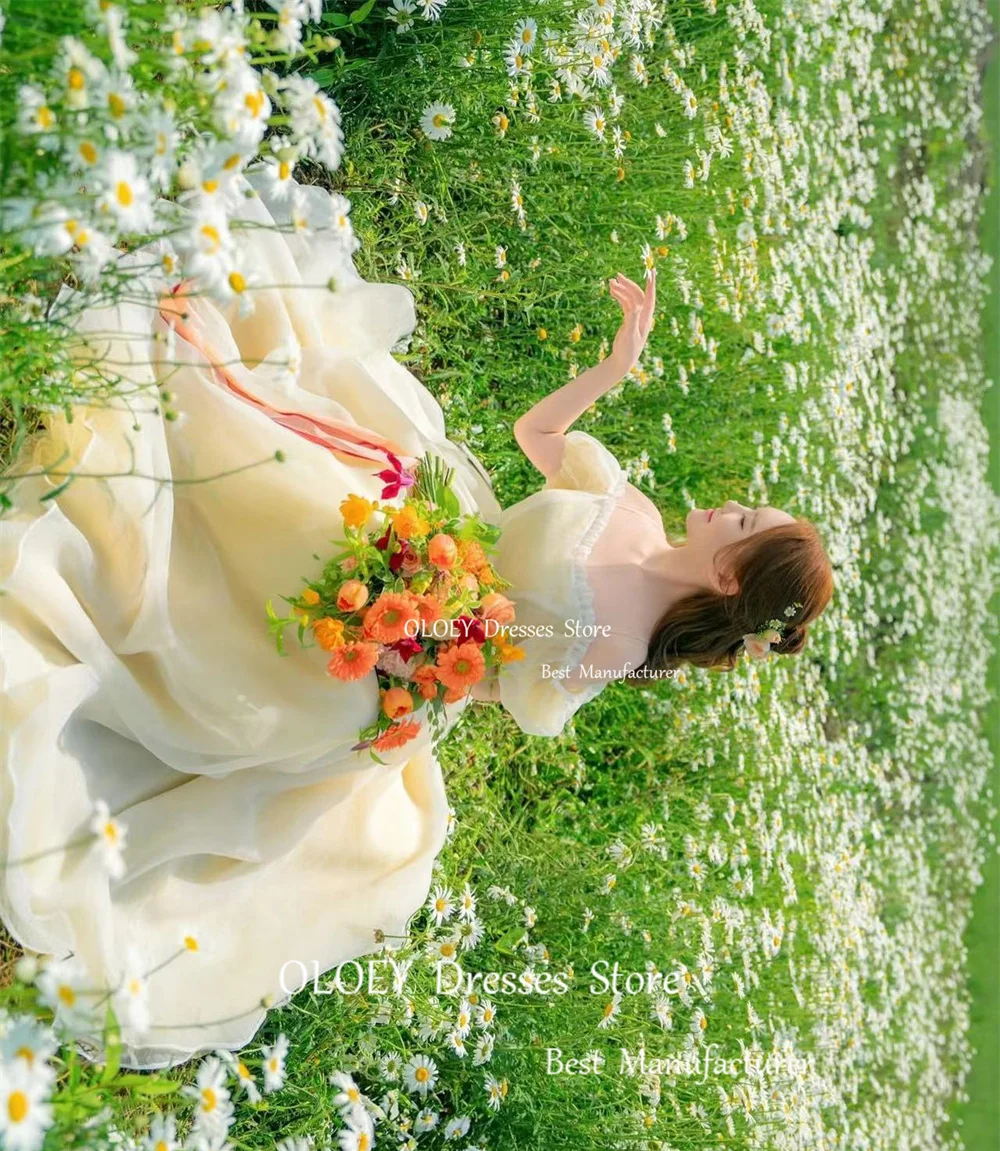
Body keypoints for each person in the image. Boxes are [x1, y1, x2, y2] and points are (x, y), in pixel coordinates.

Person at [0, 172, 832, 1068]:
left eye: (746, 523)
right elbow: (537, 440)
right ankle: (192, 398)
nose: (732, 505)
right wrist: (611, 371)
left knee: (292, 654)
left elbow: (497, 685)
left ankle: (158, 575)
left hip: (415, 648)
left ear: (726, 572)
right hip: (429, 532)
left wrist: (420, 640)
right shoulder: (623, 506)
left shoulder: (615, 646)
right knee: (309, 495)